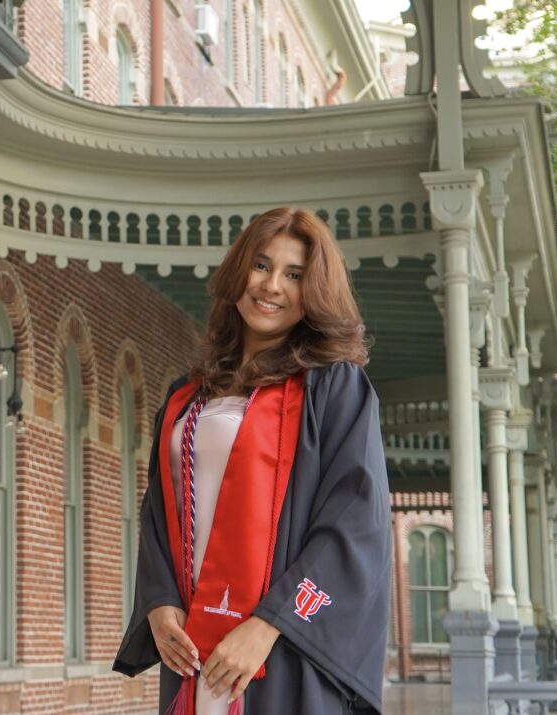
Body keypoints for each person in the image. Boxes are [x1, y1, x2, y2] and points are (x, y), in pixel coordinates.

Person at [114, 208, 391, 714]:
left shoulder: (332, 389)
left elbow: (354, 526)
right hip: (192, 647)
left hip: (280, 653)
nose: (271, 286)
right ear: (238, 271)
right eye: (261, 265)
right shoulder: (186, 397)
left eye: (294, 275)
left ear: (315, 292)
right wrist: (158, 602)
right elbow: (157, 513)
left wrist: (271, 624)